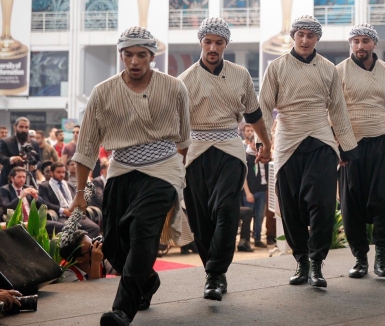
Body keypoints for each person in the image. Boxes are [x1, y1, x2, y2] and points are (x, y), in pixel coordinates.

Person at [68, 26, 191, 326]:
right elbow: (86, 148)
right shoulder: (102, 91)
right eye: (128, 54)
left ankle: (122, 310)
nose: (134, 61)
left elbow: (184, 139)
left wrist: (176, 180)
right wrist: (80, 195)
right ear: (120, 55)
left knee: (142, 231)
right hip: (121, 169)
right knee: (114, 246)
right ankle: (146, 282)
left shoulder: (175, 87)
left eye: (141, 55)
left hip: (163, 168)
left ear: (152, 56)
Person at [259, 15, 359, 288]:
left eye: (310, 35)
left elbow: (338, 109)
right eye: (300, 34)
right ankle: (301, 262)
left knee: (321, 204)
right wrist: (262, 145)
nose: (304, 40)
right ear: (293, 36)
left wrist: (347, 147)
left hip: (321, 141)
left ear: (317, 39)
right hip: (287, 141)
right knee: (289, 206)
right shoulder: (277, 67)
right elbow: (264, 107)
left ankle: (316, 264)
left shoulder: (328, 68)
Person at [178, 17, 272, 301]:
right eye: (208, 42)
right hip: (195, 152)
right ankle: (212, 271)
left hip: (231, 149)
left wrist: (265, 142)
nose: (213, 47)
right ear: (201, 43)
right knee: (200, 217)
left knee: (225, 209)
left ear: (226, 45)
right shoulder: (184, 81)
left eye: (219, 42)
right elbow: (175, 125)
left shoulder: (240, 74)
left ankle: (216, 273)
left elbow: (254, 114)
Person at [336, 23, 385, 278]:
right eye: (355, 41)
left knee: (384, 200)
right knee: (350, 202)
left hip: (383, 142)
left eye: (365, 41)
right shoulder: (339, 71)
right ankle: (360, 259)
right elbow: (333, 110)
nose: (360, 46)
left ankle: (381, 259)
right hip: (350, 144)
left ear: (374, 43)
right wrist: (339, 145)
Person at [38, 163, 100, 237]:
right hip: (60, 215)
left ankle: (84, 246)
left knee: (94, 228)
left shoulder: (69, 184)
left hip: (74, 213)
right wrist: (63, 210)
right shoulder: (44, 186)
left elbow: (76, 199)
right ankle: (74, 247)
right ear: (51, 172)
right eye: (59, 172)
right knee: (69, 229)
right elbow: (46, 203)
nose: (61, 174)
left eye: (63, 172)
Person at [242, 124, 268, 249]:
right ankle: (246, 240)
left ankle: (257, 238)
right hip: (250, 192)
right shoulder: (246, 157)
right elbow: (244, 177)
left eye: (260, 145)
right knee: (248, 216)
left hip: (262, 190)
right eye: (255, 145)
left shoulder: (263, 155)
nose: (257, 147)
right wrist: (247, 193)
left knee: (259, 217)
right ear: (250, 143)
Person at [0, 117, 42, 188]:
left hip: (29, 179)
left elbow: (40, 161)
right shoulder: (6, 142)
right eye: (21, 127)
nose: (24, 130)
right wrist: (12, 159)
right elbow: (1, 157)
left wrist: (34, 166)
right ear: (15, 127)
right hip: (9, 180)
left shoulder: (34, 143)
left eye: (26, 127)